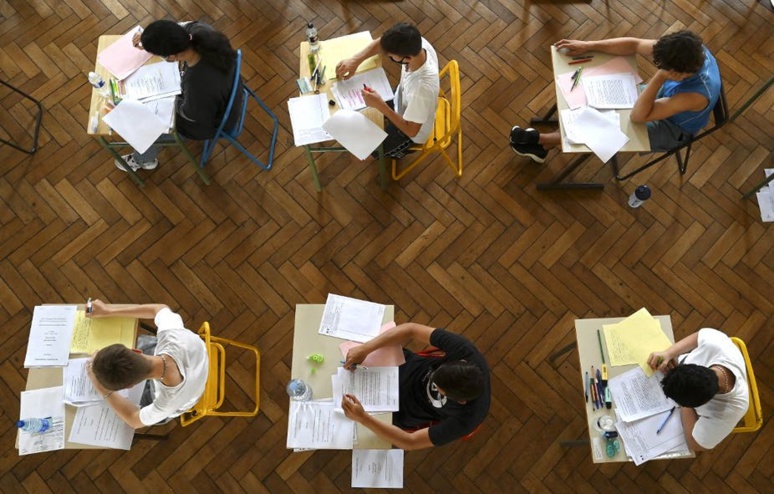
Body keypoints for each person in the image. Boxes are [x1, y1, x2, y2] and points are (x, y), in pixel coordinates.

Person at [509, 30, 721, 163]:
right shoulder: (688, 49)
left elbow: (638, 117)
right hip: (663, 98)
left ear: (679, 72)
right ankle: (543, 145)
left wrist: (659, 77)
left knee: (613, 128)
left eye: (664, 67)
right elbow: (635, 44)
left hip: (673, 127)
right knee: (597, 100)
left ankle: (544, 141)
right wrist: (588, 45)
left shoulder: (697, 95)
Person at [116, 20, 241, 172]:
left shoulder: (197, 82)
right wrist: (149, 38)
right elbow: (179, 26)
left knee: (150, 130)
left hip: (208, 122)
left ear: (171, 57)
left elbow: (192, 114)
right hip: (230, 88)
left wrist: (170, 100)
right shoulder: (200, 30)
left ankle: (142, 160)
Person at [341, 323, 490, 450]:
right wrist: (365, 349)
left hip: (398, 411)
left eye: (439, 389)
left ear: (460, 401)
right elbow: (411, 329)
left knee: (344, 422)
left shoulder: (468, 419)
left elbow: (410, 442)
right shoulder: (465, 351)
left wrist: (363, 419)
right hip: (395, 365)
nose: (434, 384)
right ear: (462, 362)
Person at [87, 300, 208, 428]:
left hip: (190, 394)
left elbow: (134, 420)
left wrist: (102, 389)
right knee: (144, 341)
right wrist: (108, 310)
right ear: (135, 350)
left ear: (130, 385)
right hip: (199, 355)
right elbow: (160, 308)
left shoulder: (166, 401)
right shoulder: (171, 335)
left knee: (147, 411)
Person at [335, 23, 439, 159]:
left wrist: (381, 106)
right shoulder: (417, 43)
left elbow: (412, 130)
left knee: (375, 151)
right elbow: (382, 43)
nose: (388, 56)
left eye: (391, 56)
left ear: (407, 58)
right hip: (402, 100)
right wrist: (355, 60)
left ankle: (397, 152)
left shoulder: (421, 90)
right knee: (365, 108)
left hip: (411, 133)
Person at [647, 328, 748, 451]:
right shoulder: (718, 346)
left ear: (702, 404)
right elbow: (698, 336)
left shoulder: (728, 412)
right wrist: (668, 353)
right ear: (697, 366)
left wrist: (685, 407)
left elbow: (696, 445)